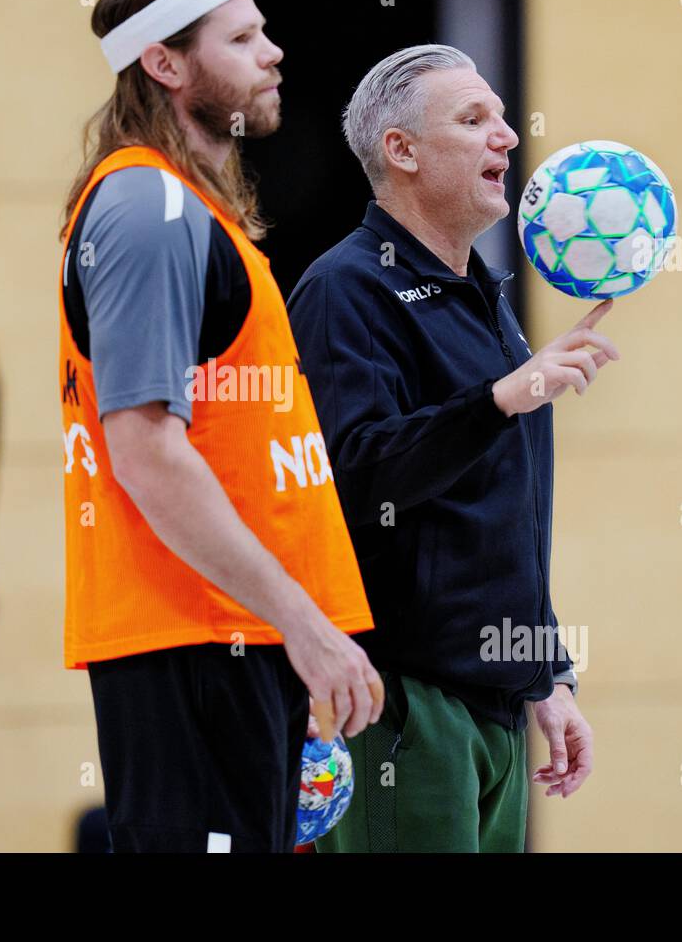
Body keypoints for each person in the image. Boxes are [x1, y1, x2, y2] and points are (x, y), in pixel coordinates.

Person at [58, 0, 382, 853]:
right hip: (197, 644)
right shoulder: (145, 212)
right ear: (164, 63)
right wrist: (303, 623)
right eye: (243, 37)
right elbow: (147, 450)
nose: (273, 52)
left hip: (229, 641)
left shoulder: (191, 214)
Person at [286, 45, 605, 852]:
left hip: (494, 707)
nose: (506, 137)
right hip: (402, 703)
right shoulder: (345, 288)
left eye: (502, 118)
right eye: (473, 120)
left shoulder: (485, 296)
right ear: (402, 151)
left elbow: (501, 515)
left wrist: (549, 675)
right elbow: (352, 473)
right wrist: (502, 398)